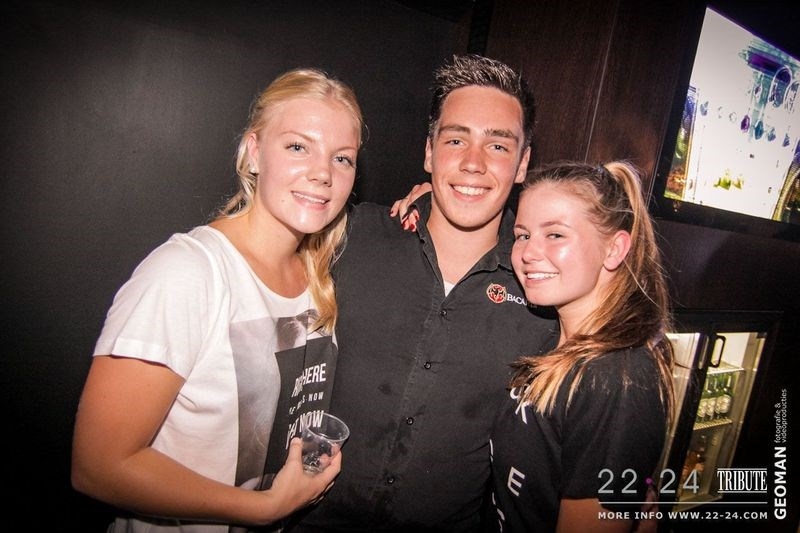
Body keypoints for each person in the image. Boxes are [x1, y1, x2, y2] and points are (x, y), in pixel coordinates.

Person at [71, 67, 364, 532]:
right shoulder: (188, 272)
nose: (322, 173)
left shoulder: (317, 278)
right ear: (254, 151)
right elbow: (98, 466)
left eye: (342, 158)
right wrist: (266, 508)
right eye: (297, 147)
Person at [289, 54, 554, 532]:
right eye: (455, 140)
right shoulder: (351, 236)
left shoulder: (545, 291)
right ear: (429, 152)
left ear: (523, 164)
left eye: (498, 145)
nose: (473, 163)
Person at [489, 160, 676, 532]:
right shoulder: (552, 336)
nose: (528, 253)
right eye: (522, 235)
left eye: (555, 234)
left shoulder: (617, 379)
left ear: (614, 249)